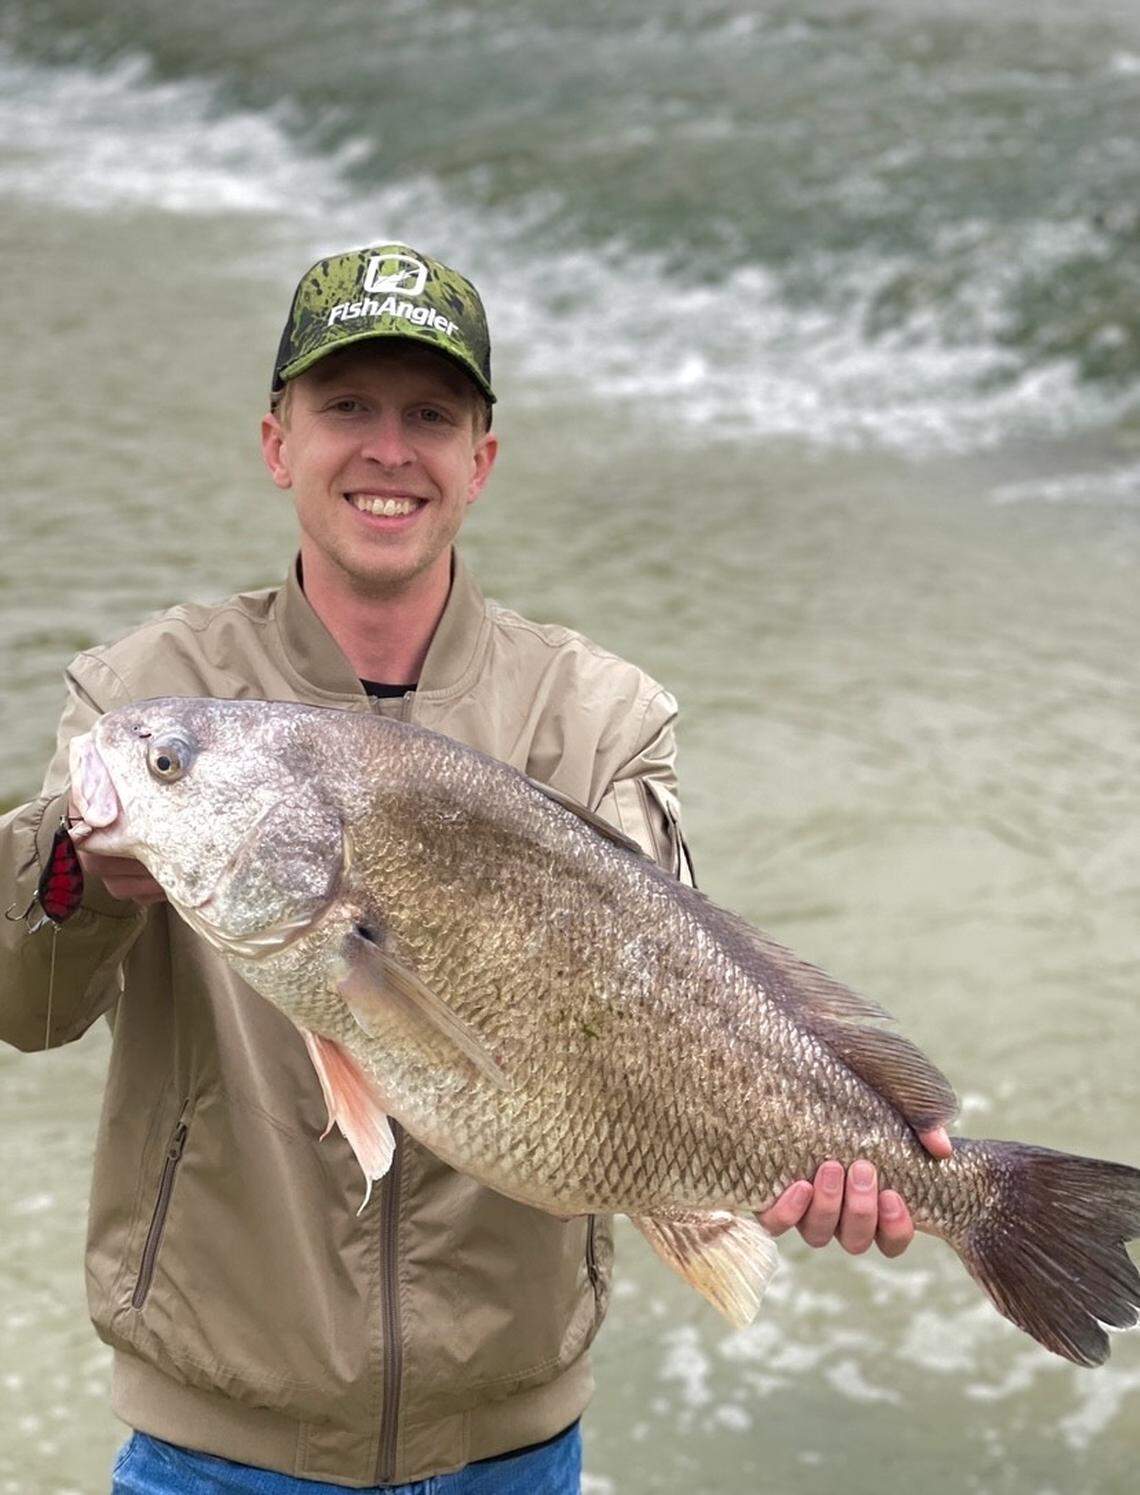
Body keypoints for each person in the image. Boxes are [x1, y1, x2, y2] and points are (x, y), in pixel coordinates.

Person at [0, 244, 946, 1493]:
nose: (387, 449)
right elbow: (25, 1003)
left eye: (430, 416)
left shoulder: (599, 713)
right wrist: (75, 865)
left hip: (511, 1450)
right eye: (346, 407)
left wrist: (833, 1138)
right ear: (278, 441)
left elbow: (673, 1003)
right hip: (209, 1451)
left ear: (480, 462)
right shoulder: (148, 697)